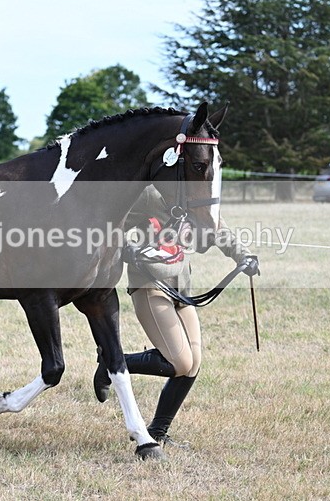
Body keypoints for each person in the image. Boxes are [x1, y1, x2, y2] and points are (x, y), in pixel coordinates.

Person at [94, 185, 258, 445]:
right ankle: (112, 362)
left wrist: (244, 256)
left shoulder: (193, 196)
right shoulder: (147, 194)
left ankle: (158, 430)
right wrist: (127, 247)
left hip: (182, 288)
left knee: (192, 365)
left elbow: (218, 228)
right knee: (180, 363)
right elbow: (111, 223)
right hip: (150, 286)